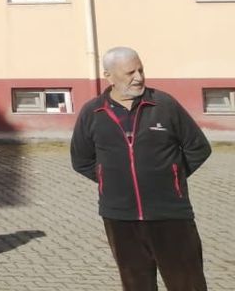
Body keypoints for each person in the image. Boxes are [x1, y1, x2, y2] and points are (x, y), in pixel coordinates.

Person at [71, 47, 211, 290]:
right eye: (130, 73)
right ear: (109, 76)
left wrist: (172, 176)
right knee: (136, 285)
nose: (139, 77)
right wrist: (110, 179)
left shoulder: (164, 104)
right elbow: (81, 160)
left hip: (170, 215)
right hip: (120, 218)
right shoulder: (92, 112)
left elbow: (198, 147)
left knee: (187, 284)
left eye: (141, 70)